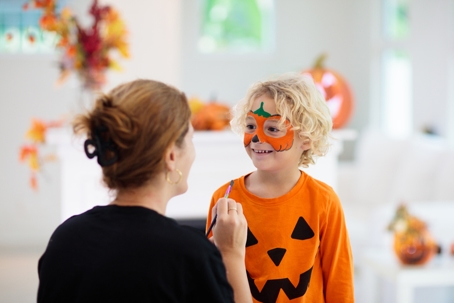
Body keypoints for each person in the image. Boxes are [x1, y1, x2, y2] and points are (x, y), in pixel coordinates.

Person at [37, 79, 252, 303]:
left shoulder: (65, 238)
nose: (193, 152)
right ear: (171, 155)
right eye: (190, 139)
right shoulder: (190, 256)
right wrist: (231, 254)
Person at [206, 73, 354, 303]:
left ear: (306, 138)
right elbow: (214, 278)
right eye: (250, 126)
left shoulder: (324, 201)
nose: (256, 137)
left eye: (273, 129)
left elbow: (340, 283)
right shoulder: (225, 199)